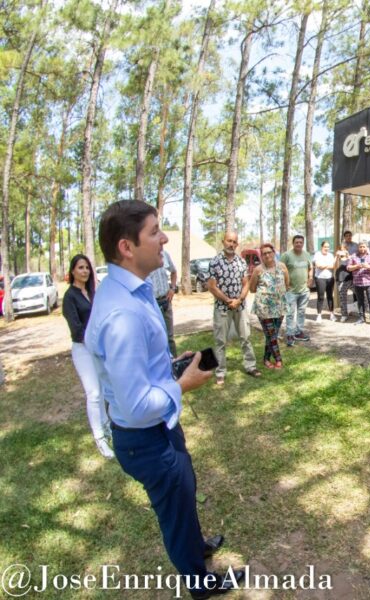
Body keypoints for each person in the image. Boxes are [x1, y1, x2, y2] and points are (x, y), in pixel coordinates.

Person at [85, 201, 240, 599]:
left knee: (184, 490)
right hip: (146, 437)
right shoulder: (121, 313)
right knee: (174, 508)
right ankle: (200, 582)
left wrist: (171, 366)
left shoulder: (133, 292)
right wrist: (184, 384)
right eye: (155, 231)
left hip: (160, 428)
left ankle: (195, 546)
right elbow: (136, 404)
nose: (165, 237)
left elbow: (138, 371)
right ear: (126, 247)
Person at [62, 254, 113, 459]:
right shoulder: (69, 297)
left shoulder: (93, 292)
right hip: (83, 350)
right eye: (80, 268)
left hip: (99, 347)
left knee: (103, 389)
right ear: (73, 271)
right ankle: (99, 438)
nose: (85, 271)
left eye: (87, 268)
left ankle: (107, 427)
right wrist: (93, 343)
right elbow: (76, 329)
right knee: (93, 393)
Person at [207, 232, 261, 385]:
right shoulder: (215, 262)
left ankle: (250, 366)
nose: (231, 244)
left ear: (237, 244)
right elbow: (212, 286)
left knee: (246, 337)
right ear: (223, 242)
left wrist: (239, 300)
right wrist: (228, 300)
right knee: (220, 341)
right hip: (221, 307)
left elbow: (246, 284)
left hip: (240, 307)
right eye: (229, 241)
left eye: (234, 242)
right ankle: (220, 372)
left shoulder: (241, 262)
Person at [250, 243, 289, 369]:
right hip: (264, 307)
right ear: (261, 256)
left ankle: (266, 359)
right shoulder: (258, 270)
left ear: (274, 253)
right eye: (264, 253)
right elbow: (252, 288)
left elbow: (287, 284)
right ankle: (279, 360)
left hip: (280, 305)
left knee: (271, 335)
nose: (267, 255)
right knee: (271, 334)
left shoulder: (282, 267)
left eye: (269, 252)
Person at [280, 234, 312, 345]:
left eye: (301, 242)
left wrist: (310, 279)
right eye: (296, 242)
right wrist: (285, 285)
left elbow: (310, 268)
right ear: (293, 243)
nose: (299, 244)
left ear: (303, 243)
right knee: (290, 313)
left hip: (304, 290)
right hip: (291, 291)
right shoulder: (286, 256)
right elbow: (280, 271)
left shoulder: (307, 255)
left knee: (301, 312)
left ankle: (299, 332)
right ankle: (290, 334)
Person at [147, 248, 178, 357]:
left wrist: (172, 288)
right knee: (156, 338)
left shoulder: (165, 255)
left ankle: (175, 365)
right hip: (151, 304)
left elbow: (173, 272)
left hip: (166, 301)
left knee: (169, 337)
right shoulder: (143, 258)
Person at [348, 241, 370, 325]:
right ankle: (361, 318)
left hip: (369, 281)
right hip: (358, 282)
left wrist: (367, 266)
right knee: (360, 301)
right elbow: (348, 267)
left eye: (364, 246)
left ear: (367, 247)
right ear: (358, 248)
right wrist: (356, 266)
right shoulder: (354, 256)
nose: (362, 248)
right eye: (360, 247)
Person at [312, 241, 337, 321]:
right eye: (325, 247)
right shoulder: (317, 254)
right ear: (321, 247)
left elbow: (334, 266)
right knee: (321, 297)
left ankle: (332, 314)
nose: (327, 248)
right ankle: (319, 315)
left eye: (328, 247)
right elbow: (319, 266)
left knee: (330, 296)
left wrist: (324, 266)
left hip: (330, 278)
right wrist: (328, 266)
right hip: (320, 278)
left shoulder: (330, 255)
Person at [335, 234, 356, 322]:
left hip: (350, 276)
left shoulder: (352, 256)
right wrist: (337, 257)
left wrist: (348, 255)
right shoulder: (338, 256)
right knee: (342, 296)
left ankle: (359, 310)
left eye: (345, 247)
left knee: (359, 293)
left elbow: (353, 262)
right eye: (342, 247)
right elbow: (336, 266)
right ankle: (344, 314)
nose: (344, 248)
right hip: (341, 277)